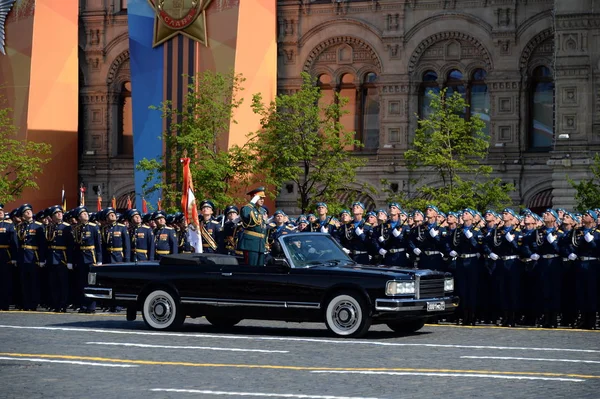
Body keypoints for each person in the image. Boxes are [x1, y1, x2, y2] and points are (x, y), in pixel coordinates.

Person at [16, 204, 46, 311]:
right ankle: (26, 303)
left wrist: (42, 259)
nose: (28, 212)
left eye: (29, 210)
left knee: (34, 282)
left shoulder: (38, 226)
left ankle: (33, 303)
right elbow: (17, 243)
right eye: (26, 211)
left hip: (34, 257)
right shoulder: (20, 226)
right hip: (22, 257)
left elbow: (42, 244)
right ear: (23, 215)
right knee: (24, 283)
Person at [72, 206, 102, 313]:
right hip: (81, 258)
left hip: (91, 258)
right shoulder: (76, 228)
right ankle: (83, 305)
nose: (85, 215)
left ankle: (91, 306)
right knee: (82, 283)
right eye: (82, 214)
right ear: (79, 217)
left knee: (91, 283)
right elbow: (75, 246)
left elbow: (98, 245)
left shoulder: (94, 227)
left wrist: (99, 260)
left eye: (86, 213)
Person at [45, 205, 73, 313]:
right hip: (52, 258)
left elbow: (70, 246)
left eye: (60, 212)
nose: (59, 214)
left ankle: (63, 304)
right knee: (53, 284)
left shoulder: (67, 227)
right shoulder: (49, 227)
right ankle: (55, 304)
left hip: (62, 258)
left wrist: (70, 261)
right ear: (52, 216)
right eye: (56, 213)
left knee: (63, 284)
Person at [238, 187, 268, 266]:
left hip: (260, 244)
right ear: (253, 198)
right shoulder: (248, 208)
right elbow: (245, 214)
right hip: (251, 244)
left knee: (260, 270)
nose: (262, 200)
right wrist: (252, 202)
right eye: (260, 198)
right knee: (251, 268)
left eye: (263, 198)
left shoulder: (262, 211)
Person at [0, 203, 17, 310]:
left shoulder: (8, 225)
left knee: (4, 281)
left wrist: (14, 257)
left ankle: (4, 303)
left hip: (5, 255)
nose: (0, 212)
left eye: (1, 210)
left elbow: (14, 242)